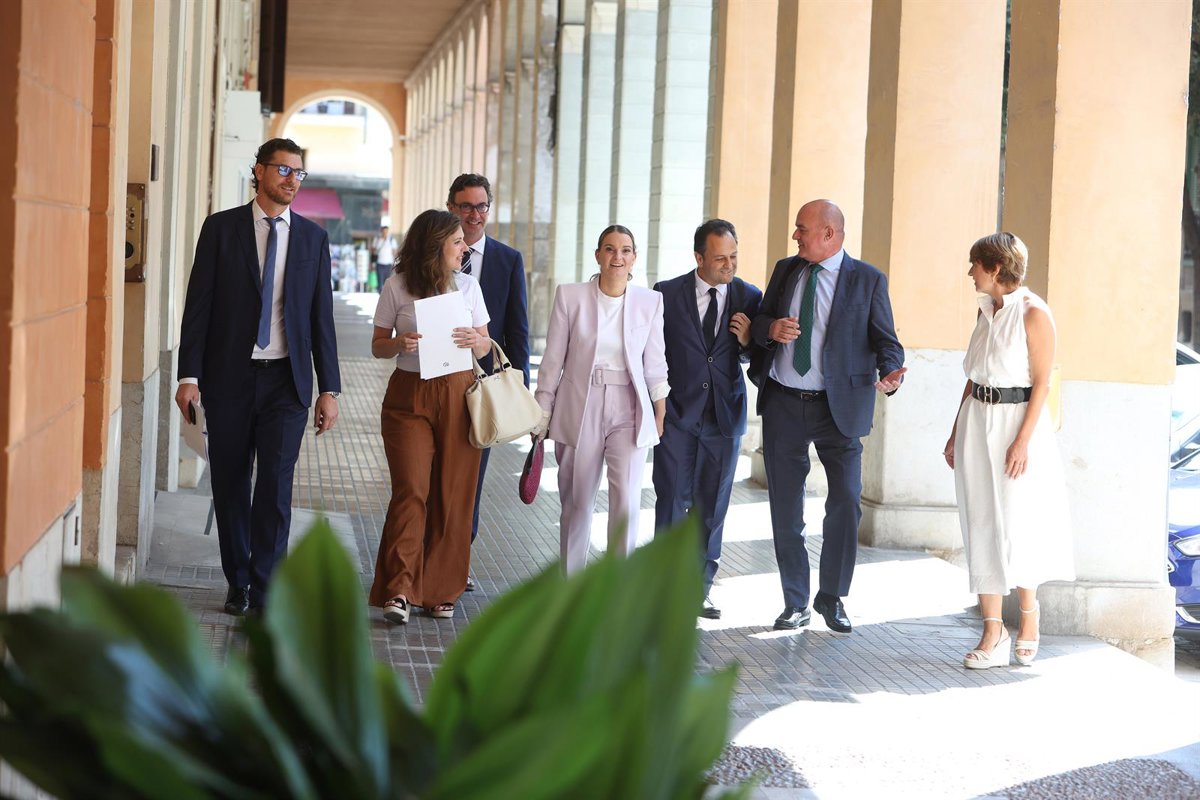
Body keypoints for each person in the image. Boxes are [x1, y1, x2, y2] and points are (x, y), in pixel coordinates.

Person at [176, 137, 342, 617]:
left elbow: (321, 318)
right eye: (283, 170)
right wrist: (189, 375)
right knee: (230, 485)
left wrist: (328, 388)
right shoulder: (221, 229)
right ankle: (239, 580)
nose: (292, 180)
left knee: (275, 488)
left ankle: (269, 590)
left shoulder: (312, 239)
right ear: (260, 171)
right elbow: (199, 306)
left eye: (298, 173)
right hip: (228, 379)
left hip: (286, 383)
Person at [749, 200, 906, 634]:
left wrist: (891, 372)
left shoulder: (868, 279)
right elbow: (761, 321)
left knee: (846, 501)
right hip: (783, 402)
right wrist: (770, 329)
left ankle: (831, 596)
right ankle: (795, 601)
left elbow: (886, 340)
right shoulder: (786, 270)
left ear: (829, 234)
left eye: (802, 228)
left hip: (840, 408)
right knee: (786, 507)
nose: (795, 236)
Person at [943, 232, 1073, 669]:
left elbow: (1043, 383)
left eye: (975, 264)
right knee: (979, 520)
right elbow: (974, 377)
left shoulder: (1034, 313)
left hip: (1017, 425)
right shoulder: (986, 311)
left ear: (995, 267)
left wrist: (1022, 441)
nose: (970, 272)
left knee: (1018, 524)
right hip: (976, 420)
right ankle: (993, 631)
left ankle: (1029, 616)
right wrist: (955, 431)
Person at [368, 209, 493, 624]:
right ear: (435, 245)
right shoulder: (397, 286)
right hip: (409, 396)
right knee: (411, 489)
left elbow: (486, 346)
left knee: (453, 493)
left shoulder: (469, 287)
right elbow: (377, 345)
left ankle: (441, 590)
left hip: (459, 394)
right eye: (456, 242)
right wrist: (398, 343)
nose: (464, 248)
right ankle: (399, 589)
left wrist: (477, 341)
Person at [535, 225, 669, 576]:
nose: (617, 257)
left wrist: (659, 412)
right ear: (598, 255)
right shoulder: (570, 297)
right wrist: (543, 410)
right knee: (578, 501)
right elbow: (552, 361)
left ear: (634, 257)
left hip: (630, 406)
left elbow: (655, 364)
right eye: (609, 249)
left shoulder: (650, 302)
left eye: (625, 250)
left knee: (626, 504)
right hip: (581, 403)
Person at [652, 219, 762, 619]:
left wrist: (748, 341)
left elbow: (760, 357)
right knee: (670, 501)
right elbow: (653, 353)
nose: (729, 265)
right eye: (720, 259)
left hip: (723, 417)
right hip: (678, 415)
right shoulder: (666, 294)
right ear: (699, 258)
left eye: (733, 257)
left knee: (712, 508)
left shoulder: (749, 296)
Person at [446, 174, 530, 590]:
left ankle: (456, 563)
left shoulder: (507, 260)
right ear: (451, 208)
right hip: (436, 383)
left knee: (470, 481)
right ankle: (427, 556)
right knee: (431, 476)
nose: (474, 215)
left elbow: (518, 330)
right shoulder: (430, 256)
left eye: (481, 206)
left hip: (483, 390)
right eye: (466, 206)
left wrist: (521, 395)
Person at [371, 225, 398, 294]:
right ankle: (380, 295)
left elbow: (395, 252)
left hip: (388, 264)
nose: (385, 233)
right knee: (380, 282)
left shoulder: (391, 240)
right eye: (384, 231)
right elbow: (373, 251)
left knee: (387, 282)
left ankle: (386, 296)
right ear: (381, 231)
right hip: (379, 263)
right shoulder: (377, 239)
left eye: (386, 231)